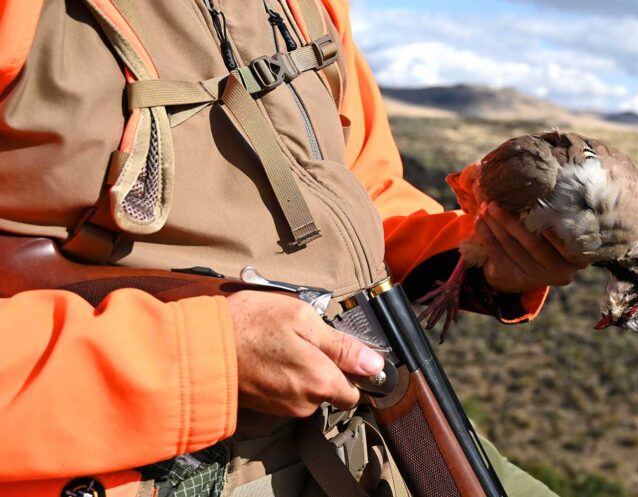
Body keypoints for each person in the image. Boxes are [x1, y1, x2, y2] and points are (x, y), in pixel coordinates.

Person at [0, 0, 584, 495]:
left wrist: (477, 257)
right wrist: (206, 357)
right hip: (149, 468)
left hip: (358, 424)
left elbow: (356, 191)